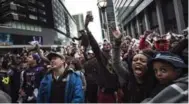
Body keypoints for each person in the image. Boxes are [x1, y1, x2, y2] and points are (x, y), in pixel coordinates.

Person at [112, 29, 157, 103]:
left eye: (142, 61)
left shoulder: (156, 78)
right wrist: (117, 43)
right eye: (135, 60)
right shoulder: (128, 77)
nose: (138, 62)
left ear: (148, 65)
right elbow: (116, 63)